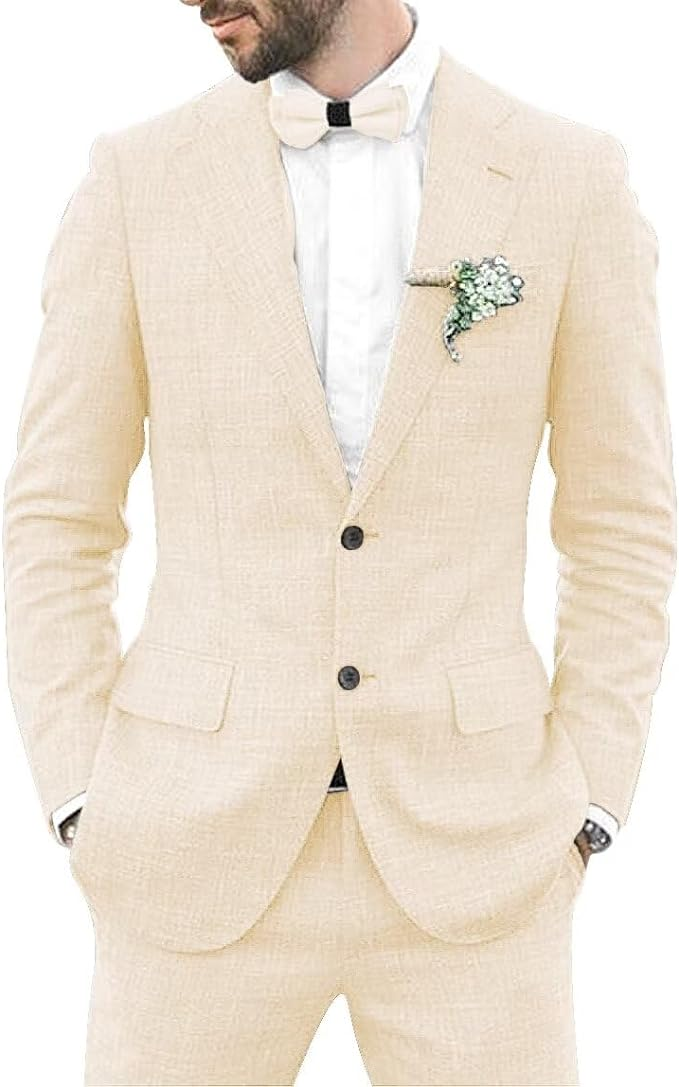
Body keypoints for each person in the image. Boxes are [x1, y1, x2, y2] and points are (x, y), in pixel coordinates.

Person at [3, 1, 675, 1084]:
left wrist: (590, 797)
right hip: (187, 847)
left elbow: (621, 518)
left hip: (481, 858)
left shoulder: (569, 177)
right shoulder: (138, 179)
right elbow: (56, 514)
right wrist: (81, 790)